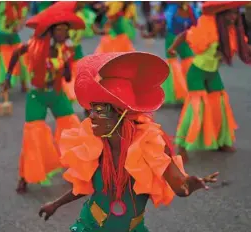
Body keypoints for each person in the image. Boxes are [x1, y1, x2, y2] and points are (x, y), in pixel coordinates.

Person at [38, 52, 219, 232]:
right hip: (91, 225)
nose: (91, 116)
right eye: (91, 109)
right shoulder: (94, 144)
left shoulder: (149, 145)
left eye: (99, 110)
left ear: (121, 113)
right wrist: (55, 204)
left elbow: (180, 186)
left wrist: (190, 185)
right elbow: (84, 186)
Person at [3, 5, 85, 192]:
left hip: (56, 93)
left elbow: (67, 76)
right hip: (37, 94)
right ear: (51, 30)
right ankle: (25, 176)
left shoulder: (67, 47)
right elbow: (16, 52)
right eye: (58, 29)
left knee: (72, 128)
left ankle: (78, 169)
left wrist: (66, 67)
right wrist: (8, 77)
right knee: (33, 134)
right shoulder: (36, 45)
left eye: (65, 29)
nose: (62, 33)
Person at [168, 1, 251, 161]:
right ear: (221, 14)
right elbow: (186, 34)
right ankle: (182, 146)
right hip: (197, 72)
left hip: (212, 73)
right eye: (230, 13)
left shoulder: (233, 32)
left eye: (236, 13)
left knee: (219, 106)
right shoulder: (208, 27)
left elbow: (245, 49)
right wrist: (173, 47)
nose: (234, 17)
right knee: (196, 109)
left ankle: (221, 141)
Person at [0, 2, 30, 92]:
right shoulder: (1, 3)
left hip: (13, 35)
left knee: (21, 57)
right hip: (1, 35)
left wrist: (18, 26)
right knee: (5, 59)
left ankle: (24, 81)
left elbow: (23, 19)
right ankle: (5, 82)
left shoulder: (23, 6)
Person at [162, 2, 197, 105]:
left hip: (184, 38)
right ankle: (178, 93)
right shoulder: (172, 8)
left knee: (188, 60)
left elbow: (195, 25)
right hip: (172, 37)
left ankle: (190, 90)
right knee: (173, 63)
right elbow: (165, 22)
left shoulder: (190, 9)